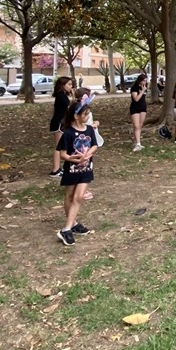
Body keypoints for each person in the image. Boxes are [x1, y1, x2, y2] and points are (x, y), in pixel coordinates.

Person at [56, 94, 98, 246]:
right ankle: (72, 224)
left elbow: (94, 145)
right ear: (76, 116)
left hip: (86, 169)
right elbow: (62, 154)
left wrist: (88, 154)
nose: (88, 116)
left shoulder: (89, 130)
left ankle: (66, 228)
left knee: (78, 197)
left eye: (88, 114)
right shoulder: (68, 133)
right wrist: (73, 159)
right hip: (72, 170)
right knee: (70, 196)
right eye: (85, 114)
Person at [74, 87, 103, 201]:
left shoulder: (80, 108)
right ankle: (82, 189)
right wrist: (93, 125)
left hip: (85, 138)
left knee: (84, 163)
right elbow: (83, 125)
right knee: (83, 163)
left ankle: (79, 187)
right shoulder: (81, 110)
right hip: (84, 140)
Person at [49, 76, 74, 177]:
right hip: (58, 123)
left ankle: (58, 168)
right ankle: (55, 170)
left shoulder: (62, 96)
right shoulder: (61, 96)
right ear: (62, 85)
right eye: (69, 84)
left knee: (61, 146)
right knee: (58, 147)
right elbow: (70, 108)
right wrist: (74, 96)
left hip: (61, 122)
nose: (71, 87)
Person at [129, 74, 148, 152]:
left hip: (143, 107)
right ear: (139, 81)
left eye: (146, 80)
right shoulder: (134, 88)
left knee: (140, 125)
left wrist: (144, 90)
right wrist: (142, 91)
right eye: (143, 81)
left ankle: (136, 141)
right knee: (136, 126)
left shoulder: (144, 87)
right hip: (135, 108)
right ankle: (138, 144)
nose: (145, 82)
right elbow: (136, 99)